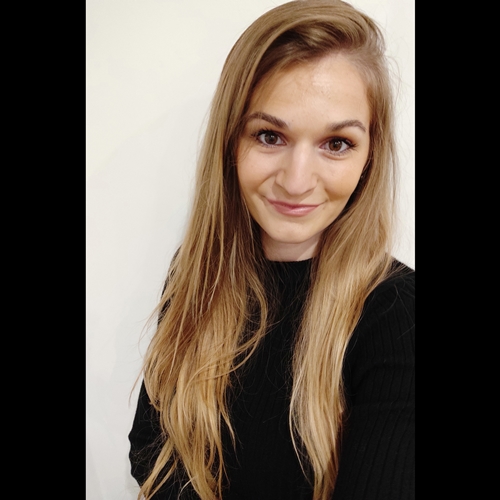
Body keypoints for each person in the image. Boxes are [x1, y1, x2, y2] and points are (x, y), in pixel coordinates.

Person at [128, 1, 415, 499]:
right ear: (230, 143)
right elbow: (151, 455)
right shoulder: (197, 275)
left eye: (336, 143)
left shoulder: (398, 313)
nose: (297, 181)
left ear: (369, 155)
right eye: (270, 136)